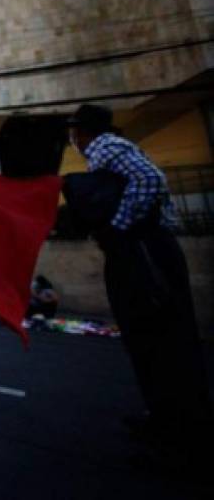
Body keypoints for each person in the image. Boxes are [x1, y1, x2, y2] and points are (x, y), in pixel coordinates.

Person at [65, 103, 212, 464]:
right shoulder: (108, 150)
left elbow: (150, 179)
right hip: (144, 250)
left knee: (160, 335)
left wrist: (118, 225)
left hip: (145, 251)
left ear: (82, 131)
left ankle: (183, 429)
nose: (73, 139)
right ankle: (167, 418)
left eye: (74, 131)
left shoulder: (106, 147)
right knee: (148, 337)